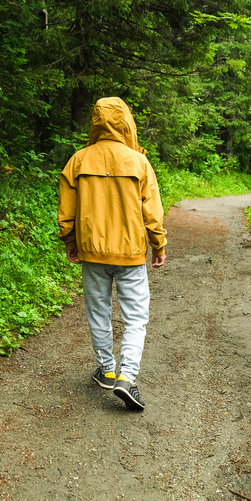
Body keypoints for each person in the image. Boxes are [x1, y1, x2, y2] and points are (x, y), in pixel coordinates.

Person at [57, 97, 167, 411]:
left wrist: (70, 242)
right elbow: (153, 213)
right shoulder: (138, 162)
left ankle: (106, 370)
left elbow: (67, 213)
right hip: (131, 253)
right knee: (135, 319)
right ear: (126, 123)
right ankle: (126, 377)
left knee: (98, 313)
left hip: (92, 253)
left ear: (95, 122)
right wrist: (157, 244)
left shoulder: (77, 161)